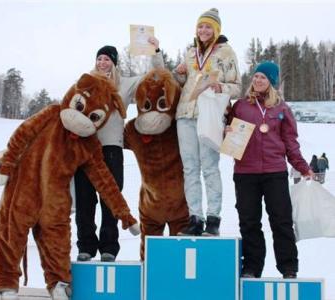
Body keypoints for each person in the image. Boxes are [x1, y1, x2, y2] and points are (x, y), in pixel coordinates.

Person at [75, 38, 164, 262]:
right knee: (85, 201)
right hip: (85, 150)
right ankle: (86, 246)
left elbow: (155, 76)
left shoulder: (124, 84)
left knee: (110, 200)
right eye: (99, 59)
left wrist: (155, 51)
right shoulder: (85, 83)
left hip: (111, 150)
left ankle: (108, 248)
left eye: (106, 59)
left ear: (114, 63)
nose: (102, 62)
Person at [227, 61, 314, 279]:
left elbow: (290, 143)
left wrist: (303, 167)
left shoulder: (282, 109)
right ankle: (252, 267)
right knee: (249, 222)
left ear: (271, 82)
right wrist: (225, 130)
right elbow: (225, 134)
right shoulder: (240, 106)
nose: (257, 80)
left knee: (281, 221)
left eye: (263, 77)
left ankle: (288, 267)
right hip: (245, 173)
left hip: (274, 172)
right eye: (256, 76)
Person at [174, 8, 241, 236]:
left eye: (208, 27)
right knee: (190, 168)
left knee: (209, 167)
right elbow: (184, 82)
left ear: (216, 30)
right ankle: (195, 218)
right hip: (185, 115)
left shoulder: (225, 52)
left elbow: (237, 86)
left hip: (209, 114)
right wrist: (180, 73)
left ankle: (213, 218)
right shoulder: (191, 53)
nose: (203, 30)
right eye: (200, 26)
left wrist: (221, 86)